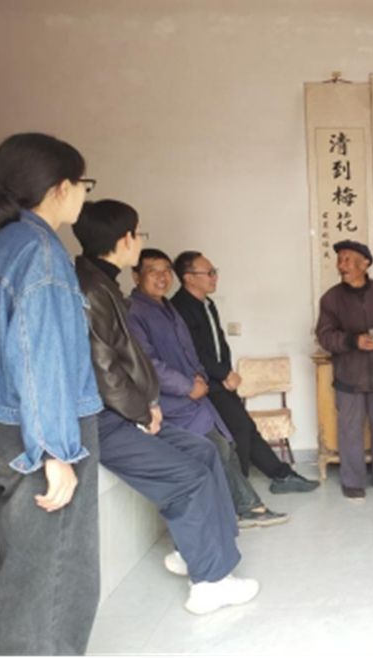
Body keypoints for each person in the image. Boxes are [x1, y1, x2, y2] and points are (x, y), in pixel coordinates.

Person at [73, 200, 260, 615]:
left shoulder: (105, 285)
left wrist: (148, 404)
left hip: (127, 411)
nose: (140, 241)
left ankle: (197, 554)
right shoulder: (92, 290)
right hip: (105, 418)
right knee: (189, 476)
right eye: (137, 234)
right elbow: (106, 368)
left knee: (205, 451)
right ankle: (209, 582)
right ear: (124, 240)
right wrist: (143, 410)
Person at [0, 133, 103, 655]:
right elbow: (39, 356)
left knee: (22, 569)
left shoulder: (0, 245)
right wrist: (55, 452)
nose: (84, 195)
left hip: (4, 429)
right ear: (61, 187)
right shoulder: (41, 254)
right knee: (55, 579)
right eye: (84, 184)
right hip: (43, 434)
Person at [127, 248, 287, 527]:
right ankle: (246, 507)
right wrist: (188, 385)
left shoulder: (167, 308)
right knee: (217, 448)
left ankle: (242, 506)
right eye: (153, 271)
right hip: (169, 404)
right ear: (135, 275)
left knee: (225, 445)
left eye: (166, 271)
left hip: (195, 397)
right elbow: (147, 363)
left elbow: (192, 351)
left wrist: (199, 377)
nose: (163, 277)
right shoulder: (134, 312)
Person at [170, 250, 319, 493]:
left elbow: (219, 343)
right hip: (203, 383)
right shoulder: (180, 308)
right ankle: (241, 492)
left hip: (220, 379)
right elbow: (194, 352)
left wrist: (227, 372)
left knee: (246, 427)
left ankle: (281, 475)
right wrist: (222, 374)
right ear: (189, 278)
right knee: (238, 429)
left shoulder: (207, 304)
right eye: (209, 273)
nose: (214, 277)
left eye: (214, 272)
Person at [315, 239, 373, 500]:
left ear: (365, 263)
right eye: (339, 260)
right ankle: (352, 481)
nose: (341, 265)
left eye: (347, 259)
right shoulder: (331, 299)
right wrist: (352, 341)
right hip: (349, 375)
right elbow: (324, 336)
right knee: (350, 430)